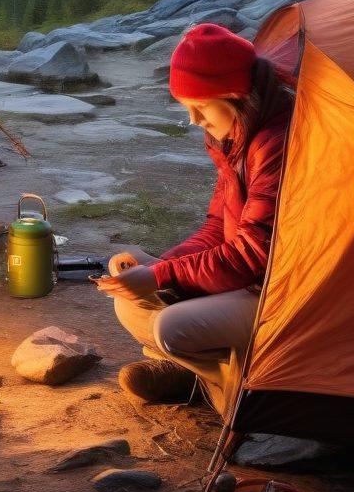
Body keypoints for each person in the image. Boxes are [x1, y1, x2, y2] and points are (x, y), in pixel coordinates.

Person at [94, 23, 294, 412]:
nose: (193, 119)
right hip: (243, 282)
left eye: (199, 106)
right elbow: (218, 227)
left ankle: (239, 395)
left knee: (171, 327)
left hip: (277, 292)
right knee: (127, 284)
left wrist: (160, 277)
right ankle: (195, 371)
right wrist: (160, 266)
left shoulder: (275, 145)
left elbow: (252, 256)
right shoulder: (236, 139)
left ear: (236, 96)